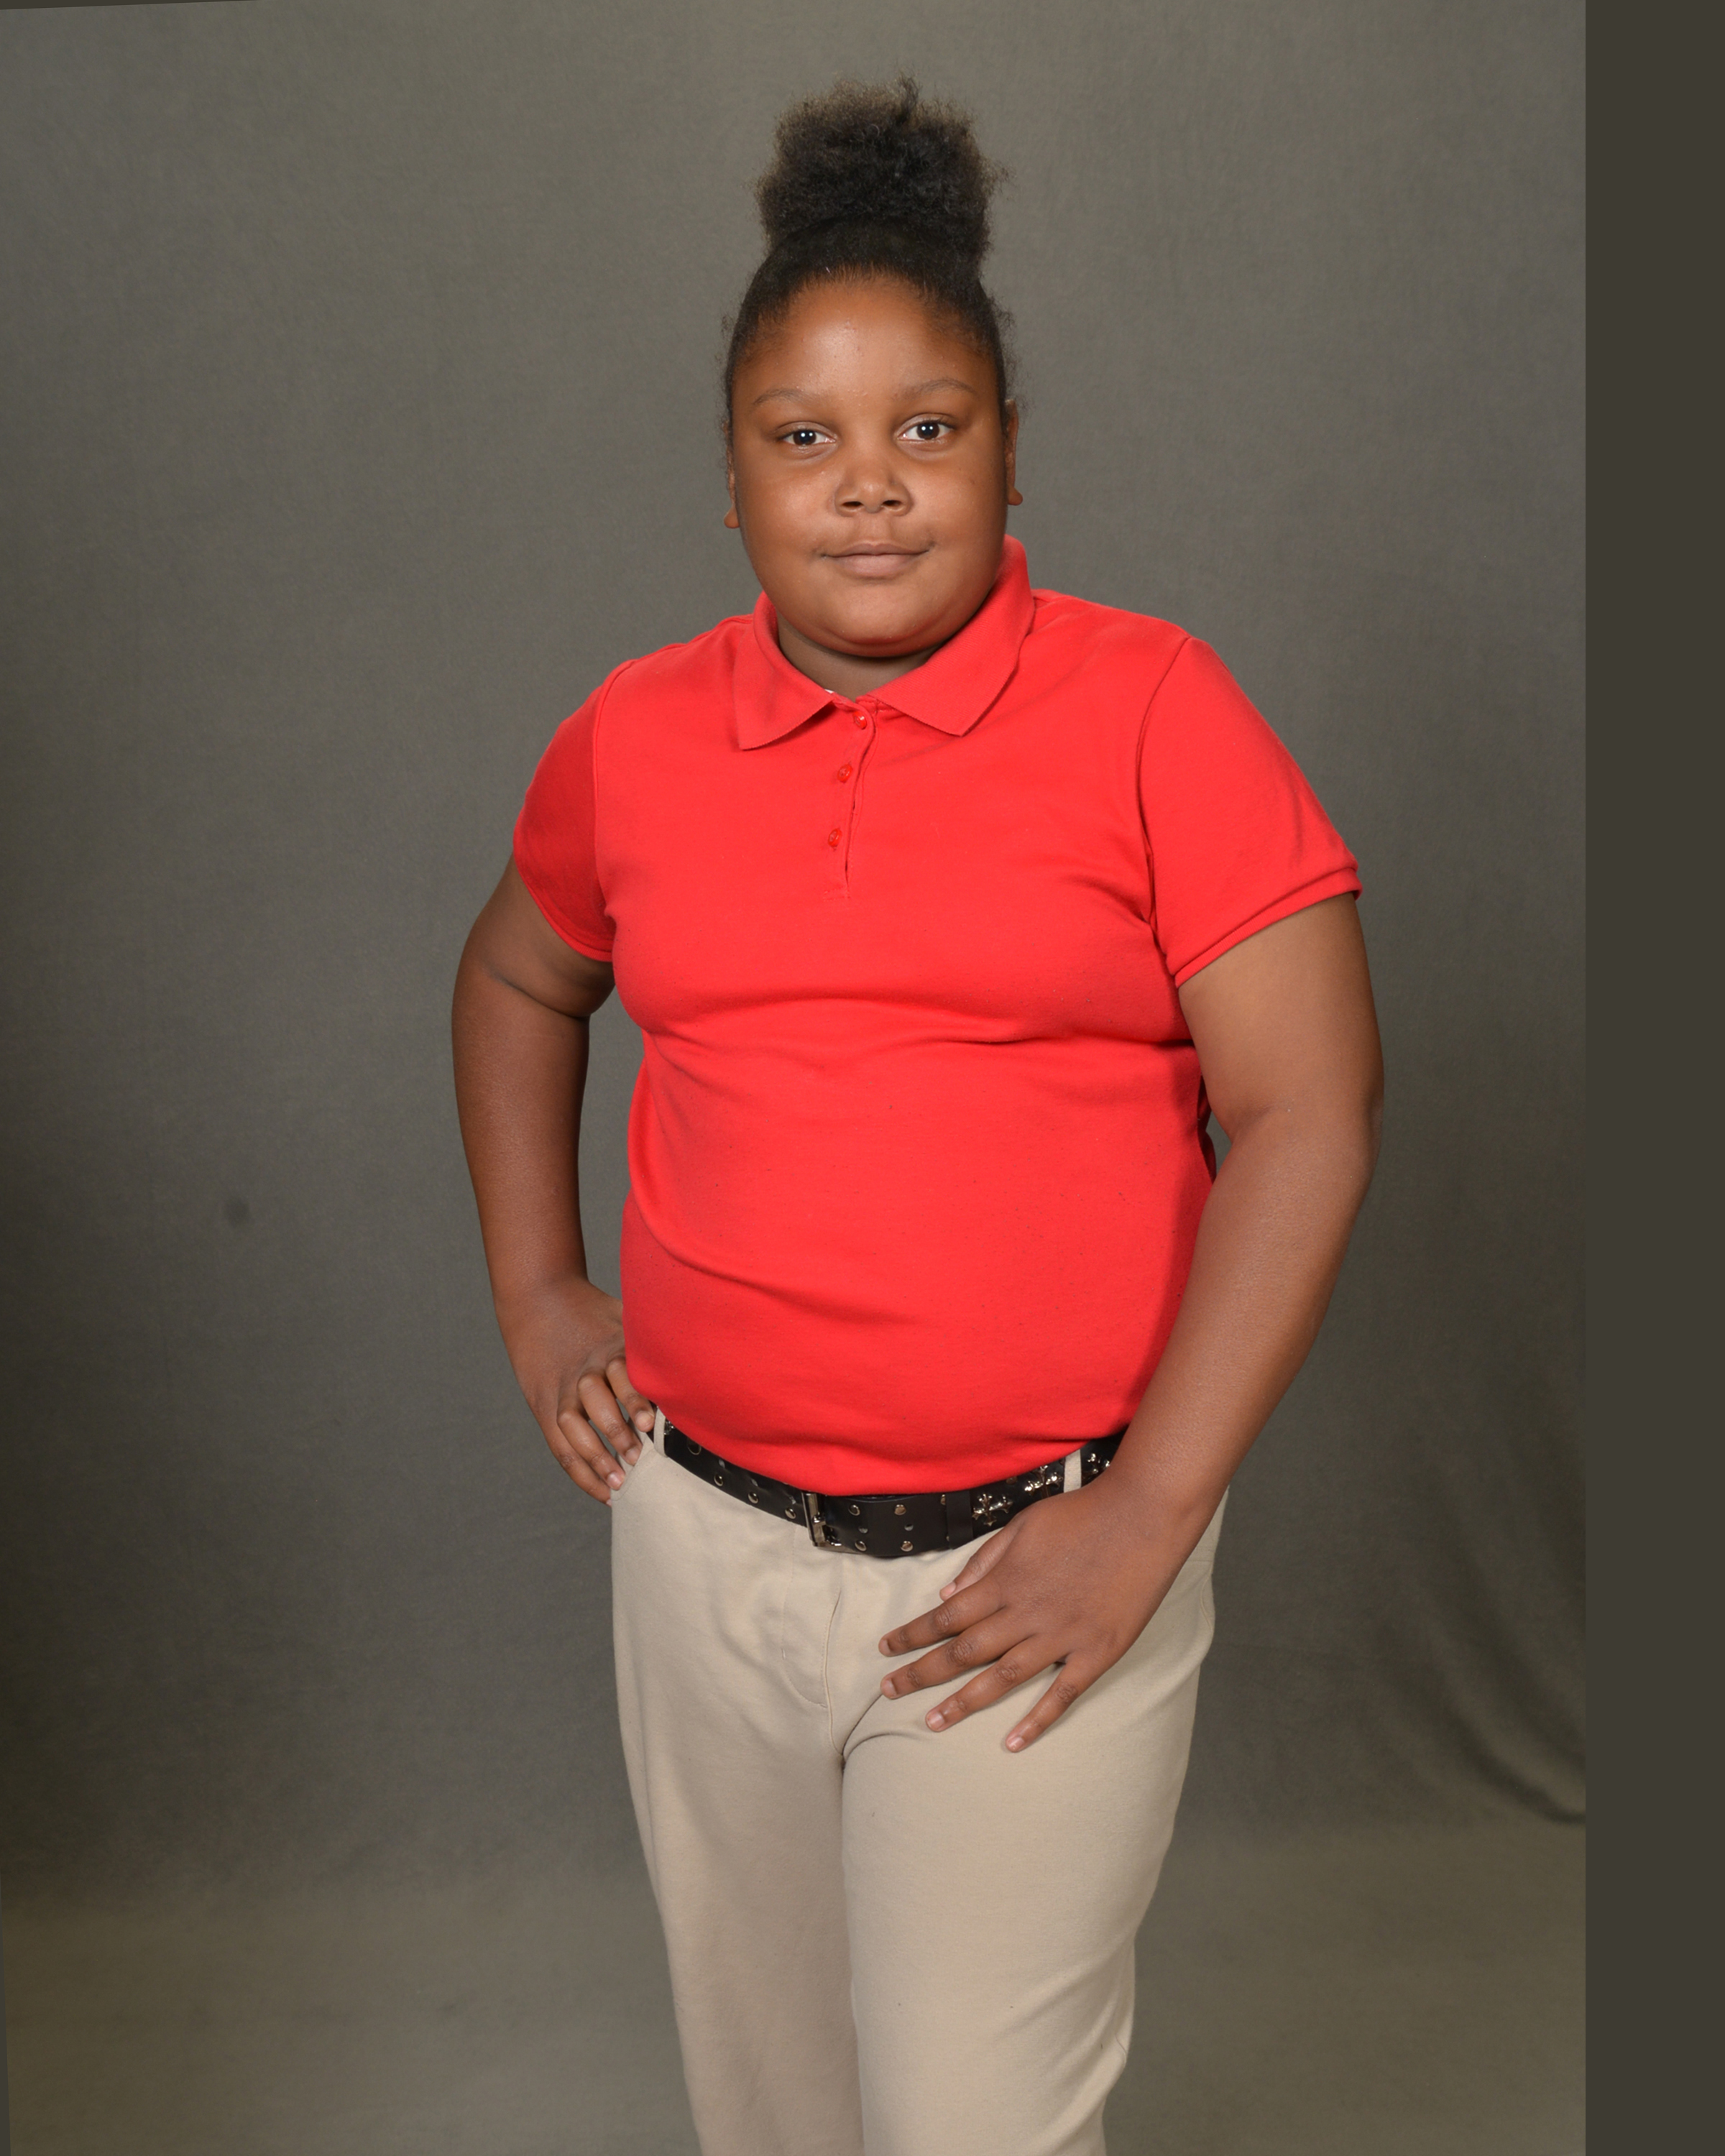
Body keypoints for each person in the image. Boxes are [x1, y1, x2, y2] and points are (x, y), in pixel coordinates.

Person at [453, 77, 1382, 2156]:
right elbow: (516, 975)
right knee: (774, 2113)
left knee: (970, 2123)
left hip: (1038, 1560)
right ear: (729, 479)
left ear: (1012, 448)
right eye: (805, 438)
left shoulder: (1156, 713)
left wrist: (1148, 1512)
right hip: (705, 1549)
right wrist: (536, 1290)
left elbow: (1312, 1108)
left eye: (928, 429)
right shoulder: (635, 736)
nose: (868, 486)